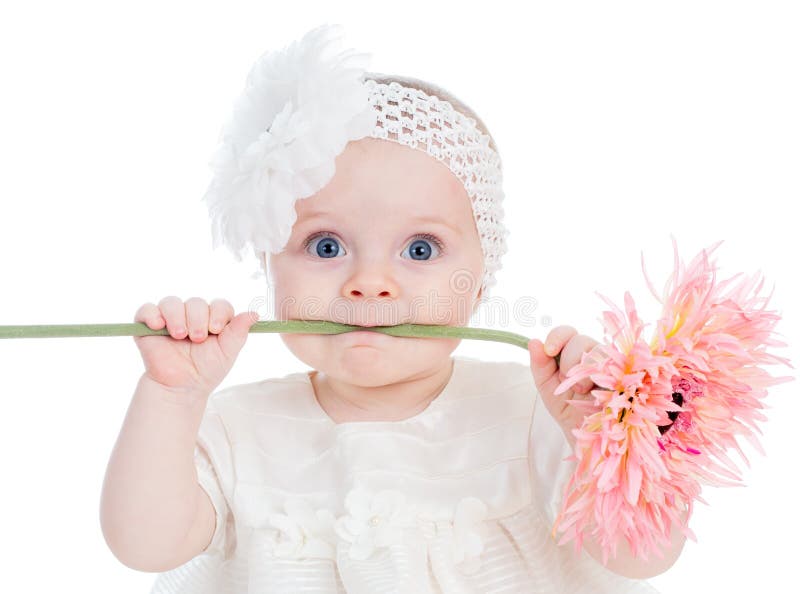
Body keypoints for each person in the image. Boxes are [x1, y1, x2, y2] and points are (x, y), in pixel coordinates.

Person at [99, 24, 684, 593]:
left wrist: (601, 438)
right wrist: (172, 397)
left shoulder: (533, 417)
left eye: (420, 249)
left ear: (481, 281)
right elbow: (145, 546)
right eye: (325, 246)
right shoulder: (235, 430)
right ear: (269, 264)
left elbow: (643, 557)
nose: (369, 283)